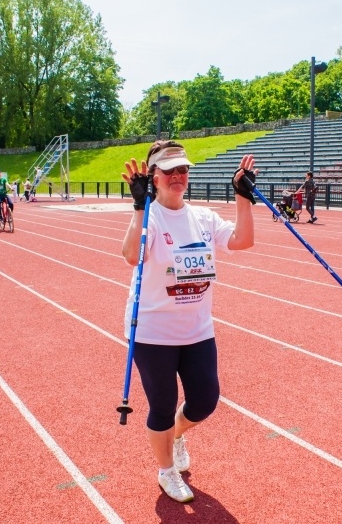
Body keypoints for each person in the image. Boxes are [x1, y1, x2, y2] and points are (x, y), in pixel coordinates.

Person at [121, 139, 256, 503]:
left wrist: (243, 195)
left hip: (197, 329)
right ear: (154, 177)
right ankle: (166, 471)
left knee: (205, 401)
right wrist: (139, 207)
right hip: (153, 330)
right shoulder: (149, 215)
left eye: (183, 169)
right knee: (162, 405)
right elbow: (131, 255)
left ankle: (176, 436)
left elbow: (243, 240)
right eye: (170, 171)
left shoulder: (203, 218)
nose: (179, 176)